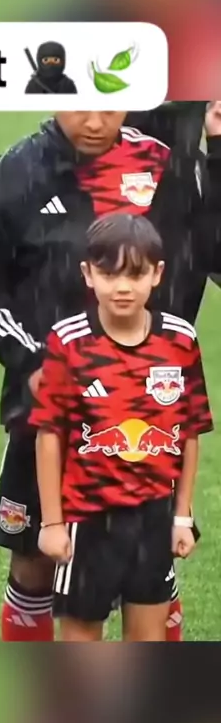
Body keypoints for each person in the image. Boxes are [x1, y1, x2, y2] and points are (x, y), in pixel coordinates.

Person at [0, 103, 221, 643]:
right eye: (80, 107)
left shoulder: (163, 166)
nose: (95, 121)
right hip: (51, 411)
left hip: (148, 415)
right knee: (35, 561)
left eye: (109, 106)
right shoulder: (14, 175)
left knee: (151, 572)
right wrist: (32, 359)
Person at [29, 214, 212, 641]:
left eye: (136, 274)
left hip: (153, 519)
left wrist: (181, 515)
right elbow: (49, 434)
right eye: (109, 274)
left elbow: (189, 433)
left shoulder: (180, 341)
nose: (123, 287)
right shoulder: (68, 342)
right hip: (86, 519)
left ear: (157, 274)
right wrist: (52, 524)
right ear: (88, 274)